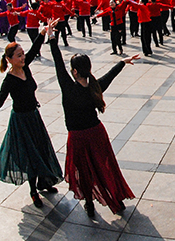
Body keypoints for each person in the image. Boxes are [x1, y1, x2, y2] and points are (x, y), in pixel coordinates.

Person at [47, 23, 137, 217]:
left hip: (78, 136)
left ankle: (89, 202)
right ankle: (115, 197)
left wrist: (51, 37)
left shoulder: (69, 88)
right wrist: (123, 61)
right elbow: (109, 76)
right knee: (104, 165)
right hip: (96, 133)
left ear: (75, 72)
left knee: (84, 171)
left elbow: (57, 62)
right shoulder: (95, 87)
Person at [0, 25, 63, 209]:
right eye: (18, 55)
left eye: (22, 54)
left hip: (34, 116)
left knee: (41, 150)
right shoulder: (10, 79)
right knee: (29, 156)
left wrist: (44, 31)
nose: (22, 57)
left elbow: (35, 48)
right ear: (9, 59)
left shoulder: (25, 67)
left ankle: (43, 182)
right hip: (21, 121)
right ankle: (33, 191)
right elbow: (0, 98)